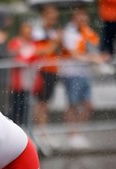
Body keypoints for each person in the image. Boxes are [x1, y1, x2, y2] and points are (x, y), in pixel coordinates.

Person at [59, 7, 106, 149]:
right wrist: (94, 58)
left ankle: (77, 133)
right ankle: (71, 135)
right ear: (75, 17)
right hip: (72, 73)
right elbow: (74, 54)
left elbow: (95, 48)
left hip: (85, 73)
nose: (83, 20)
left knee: (88, 105)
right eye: (80, 17)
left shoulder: (87, 31)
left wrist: (101, 57)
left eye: (85, 18)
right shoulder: (69, 31)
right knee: (73, 104)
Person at [31, 4, 61, 146]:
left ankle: (42, 132)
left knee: (45, 103)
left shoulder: (51, 32)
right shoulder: (38, 32)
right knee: (40, 103)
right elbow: (39, 51)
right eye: (51, 17)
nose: (54, 20)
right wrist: (54, 43)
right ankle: (38, 132)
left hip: (52, 70)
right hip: (43, 70)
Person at [7, 20, 37, 126]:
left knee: (27, 106)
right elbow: (18, 59)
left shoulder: (32, 43)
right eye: (27, 30)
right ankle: (15, 127)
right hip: (18, 81)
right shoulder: (16, 42)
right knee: (16, 106)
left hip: (30, 80)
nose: (29, 33)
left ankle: (25, 127)